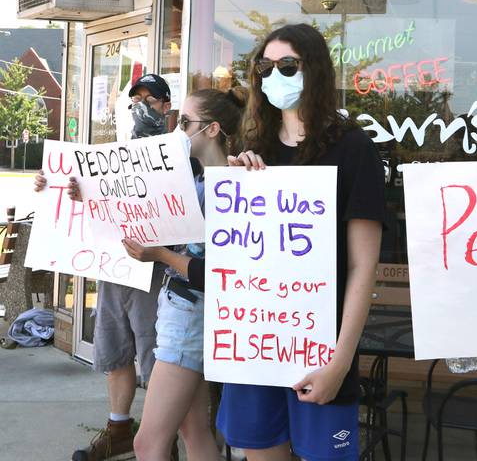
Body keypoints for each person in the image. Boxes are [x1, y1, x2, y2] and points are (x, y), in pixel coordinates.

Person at [217, 23, 385, 461]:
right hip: (254, 343)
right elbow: (234, 250)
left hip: (320, 350)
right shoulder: (254, 146)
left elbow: (362, 267)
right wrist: (238, 189)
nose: (274, 75)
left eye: (288, 65)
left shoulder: (353, 148)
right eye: (264, 67)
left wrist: (340, 362)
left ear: (316, 72)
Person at [35, 73, 178, 461]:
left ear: (167, 107)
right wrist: (56, 189)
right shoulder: (114, 155)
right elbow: (95, 202)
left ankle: (160, 441)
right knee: (115, 350)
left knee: (157, 358)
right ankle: (118, 429)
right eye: (135, 102)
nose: (141, 109)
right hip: (116, 267)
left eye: (150, 101)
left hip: (157, 270)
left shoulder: (181, 153)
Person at [120, 87, 246, 461]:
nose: (178, 130)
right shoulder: (201, 183)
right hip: (183, 313)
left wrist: (160, 255)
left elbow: (220, 273)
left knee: (147, 443)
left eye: (186, 122)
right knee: (193, 430)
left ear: (211, 129)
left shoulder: (229, 188)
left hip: (190, 318)